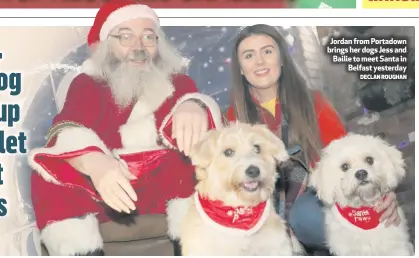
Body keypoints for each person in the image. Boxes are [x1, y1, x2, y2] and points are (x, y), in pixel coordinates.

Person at [27, 0, 222, 255]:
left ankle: (191, 245)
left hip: (162, 185)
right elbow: (67, 127)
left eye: (148, 37)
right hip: (109, 186)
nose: (139, 46)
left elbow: (206, 124)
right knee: (48, 177)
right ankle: (80, 250)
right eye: (126, 36)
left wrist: (195, 105)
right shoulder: (88, 84)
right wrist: (95, 163)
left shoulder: (176, 81)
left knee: (192, 160)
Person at [224, 24, 401, 252]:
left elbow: (348, 157)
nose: (259, 61)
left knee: (306, 214)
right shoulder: (232, 117)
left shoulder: (313, 102)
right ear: (240, 68)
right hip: (259, 204)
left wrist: (382, 193)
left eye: (267, 51)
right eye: (249, 55)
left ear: (281, 58)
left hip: (311, 199)